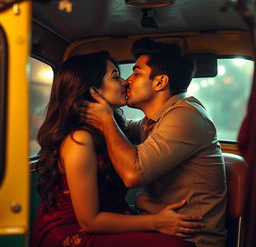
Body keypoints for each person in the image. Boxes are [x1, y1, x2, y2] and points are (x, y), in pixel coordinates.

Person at [32, 51, 203, 247]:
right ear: (92, 89)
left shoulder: (113, 129)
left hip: (105, 219)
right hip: (72, 230)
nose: (125, 82)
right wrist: (155, 222)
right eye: (115, 76)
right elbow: (89, 221)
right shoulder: (79, 139)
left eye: (134, 74)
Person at [82, 38, 227, 247]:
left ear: (160, 82)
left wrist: (105, 119)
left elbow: (133, 175)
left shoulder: (185, 117)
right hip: (164, 231)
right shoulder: (152, 121)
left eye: (136, 73)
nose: (127, 80)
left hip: (191, 241)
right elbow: (123, 128)